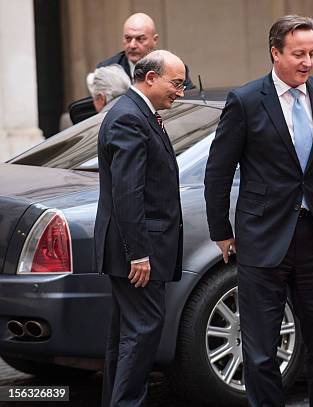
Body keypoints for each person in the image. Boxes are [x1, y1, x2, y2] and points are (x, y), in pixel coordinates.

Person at [204, 15, 313, 407]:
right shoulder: (245, 100)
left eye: (312, 54)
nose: (307, 62)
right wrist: (221, 231)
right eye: (298, 54)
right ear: (275, 53)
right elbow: (219, 171)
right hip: (262, 237)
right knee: (260, 347)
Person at [94, 50, 187, 407]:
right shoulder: (129, 118)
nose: (179, 92)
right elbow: (127, 191)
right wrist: (140, 254)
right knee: (142, 331)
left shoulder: (137, 113)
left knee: (125, 336)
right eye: (175, 83)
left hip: (132, 249)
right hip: (136, 252)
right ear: (150, 78)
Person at [97, 12, 194, 89]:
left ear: (154, 40)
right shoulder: (106, 69)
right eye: (128, 38)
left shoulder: (172, 68)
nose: (132, 45)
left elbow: (189, 99)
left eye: (140, 39)